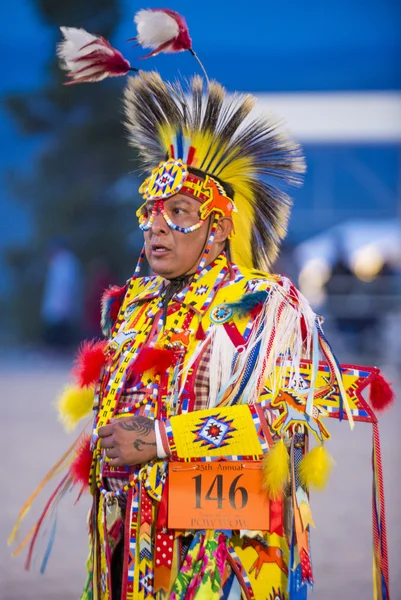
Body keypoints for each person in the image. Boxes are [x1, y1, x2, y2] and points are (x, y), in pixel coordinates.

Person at [10, 13, 393, 600]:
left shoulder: (264, 304)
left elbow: (285, 417)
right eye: (150, 213)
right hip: (132, 546)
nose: (158, 228)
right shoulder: (135, 306)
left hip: (225, 558)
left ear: (217, 229)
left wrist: (161, 438)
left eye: (180, 213)